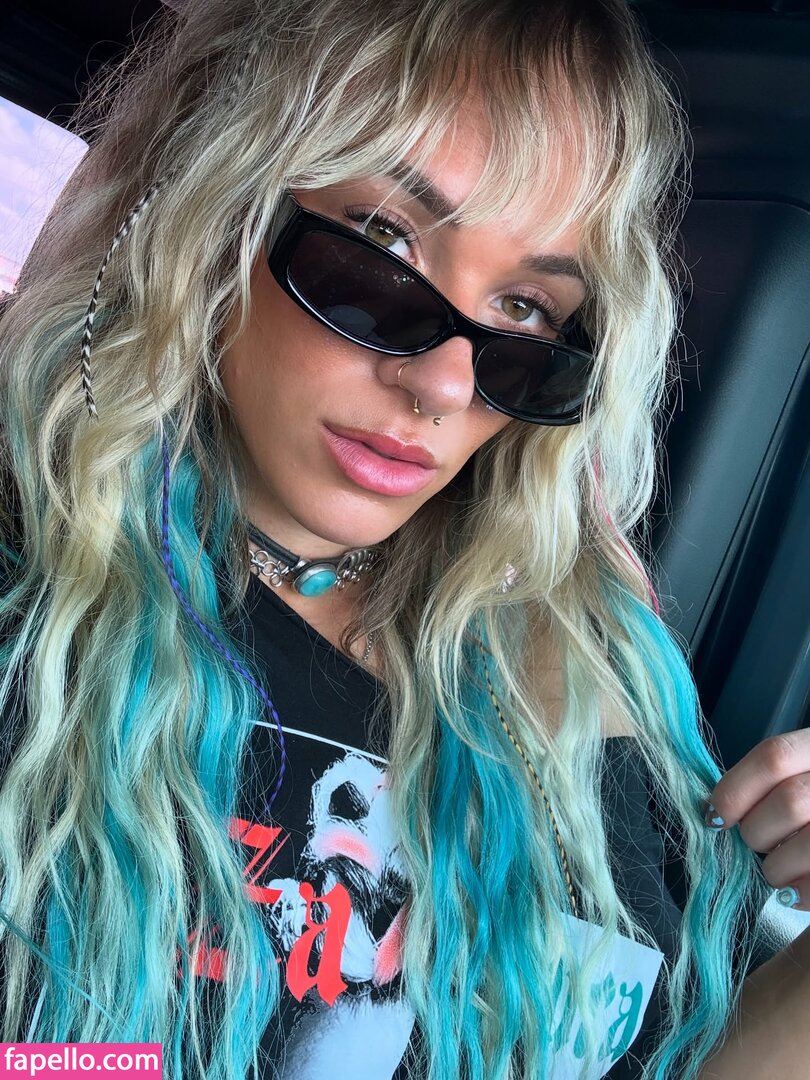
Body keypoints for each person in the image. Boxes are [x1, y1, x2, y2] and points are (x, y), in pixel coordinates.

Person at [1, 0, 808, 1076]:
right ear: (211, 209)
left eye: (526, 310)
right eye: (383, 244)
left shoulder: (593, 673)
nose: (444, 384)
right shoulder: (36, 607)